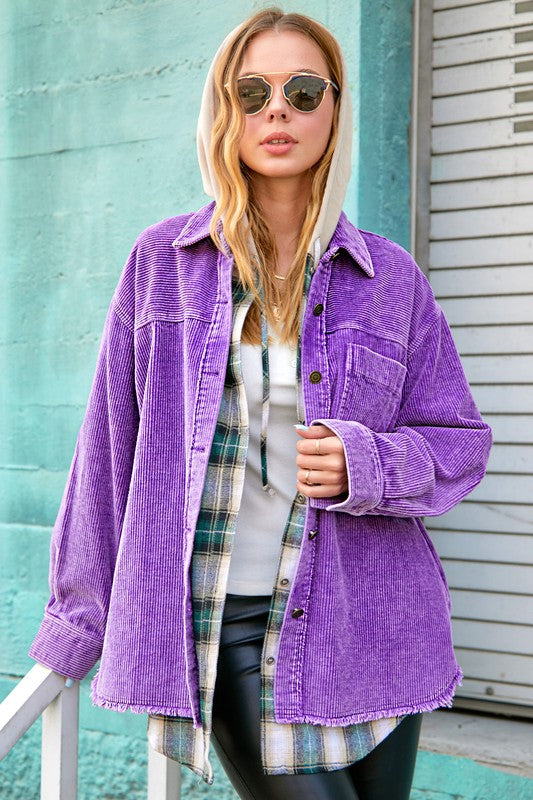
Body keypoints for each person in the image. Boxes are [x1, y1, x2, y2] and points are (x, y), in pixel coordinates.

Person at [28, 7, 492, 799]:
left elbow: (458, 441)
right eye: (253, 91)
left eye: (303, 90)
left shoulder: (389, 281)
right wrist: (74, 627)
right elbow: (106, 452)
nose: (278, 109)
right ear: (226, 111)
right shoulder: (163, 265)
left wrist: (365, 462)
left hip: (374, 631)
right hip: (222, 630)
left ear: (334, 110)